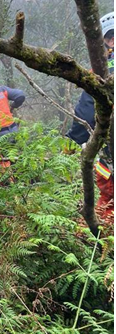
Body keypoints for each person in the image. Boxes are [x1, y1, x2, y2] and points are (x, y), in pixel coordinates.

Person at [67, 11, 114, 221]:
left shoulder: (102, 69)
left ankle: (104, 242)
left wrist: (74, 139)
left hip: (111, 145)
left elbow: (87, 109)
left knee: (108, 196)